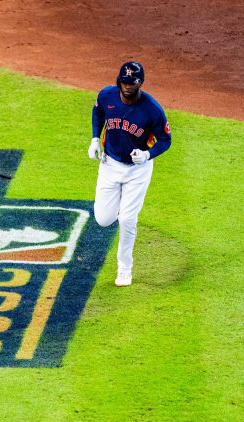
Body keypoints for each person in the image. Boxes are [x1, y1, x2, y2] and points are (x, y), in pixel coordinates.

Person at [88, 61, 172, 286]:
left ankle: (124, 269)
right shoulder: (106, 96)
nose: (127, 87)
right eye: (124, 82)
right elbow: (98, 113)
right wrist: (95, 139)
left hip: (137, 171)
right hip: (110, 164)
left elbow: (166, 140)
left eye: (132, 83)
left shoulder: (152, 110)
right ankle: (119, 205)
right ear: (119, 81)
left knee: (126, 219)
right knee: (104, 220)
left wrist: (147, 155)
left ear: (140, 84)